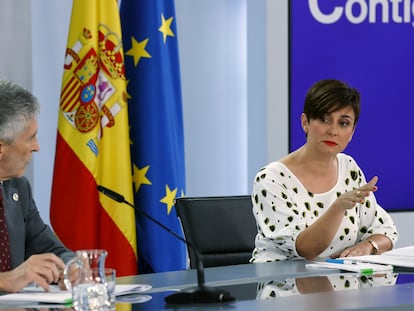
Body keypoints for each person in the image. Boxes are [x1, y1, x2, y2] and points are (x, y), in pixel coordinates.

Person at [250, 79, 398, 262]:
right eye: (324, 119)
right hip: (282, 285)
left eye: (343, 123)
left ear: (352, 132)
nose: (333, 131)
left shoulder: (348, 167)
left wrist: (367, 246)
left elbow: (386, 231)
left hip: (340, 284)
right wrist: (337, 208)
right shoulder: (271, 179)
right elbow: (306, 249)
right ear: (305, 122)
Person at [0, 80, 75, 292]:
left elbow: (51, 248)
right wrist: (5, 280)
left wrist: (72, 267)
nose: (37, 147)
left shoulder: (18, 189)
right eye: (31, 138)